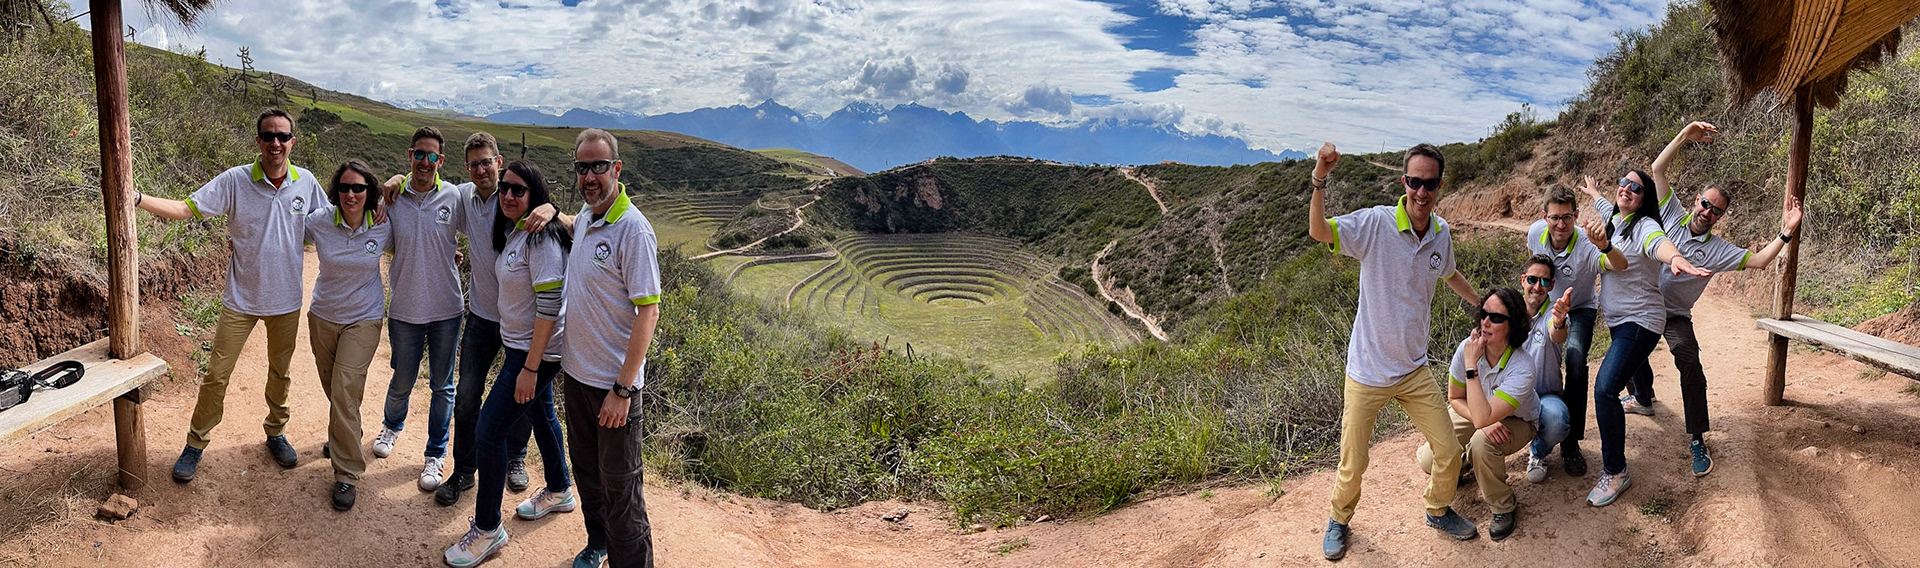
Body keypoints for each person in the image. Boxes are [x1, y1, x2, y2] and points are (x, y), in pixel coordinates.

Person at [1307, 142, 1483, 559]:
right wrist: (1319, 178)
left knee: (1448, 449)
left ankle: (1437, 509)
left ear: (1440, 186)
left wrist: (1480, 304)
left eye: (1431, 184)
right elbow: (1320, 231)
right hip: (1367, 370)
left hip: (1413, 368)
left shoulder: (1440, 233)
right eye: (1415, 182)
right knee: (1354, 461)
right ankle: (1339, 518)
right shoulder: (1375, 224)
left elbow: (1450, 273)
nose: (1422, 192)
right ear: (1404, 182)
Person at [134, 108, 326, 482]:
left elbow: (335, 226)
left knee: (280, 373)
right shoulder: (236, 181)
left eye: (282, 136)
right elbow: (186, 209)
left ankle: (276, 431)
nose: (276, 143)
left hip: (286, 301)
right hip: (240, 301)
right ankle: (195, 442)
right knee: (217, 375)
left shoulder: (306, 183)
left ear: (292, 142)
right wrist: (137, 198)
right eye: (268, 136)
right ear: (258, 141)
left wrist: (389, 218)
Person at [445, 160, 578, 566]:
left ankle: (488, 530)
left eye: (518, 190)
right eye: (505, 188)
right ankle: (559, 488)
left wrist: (531, 367)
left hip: (535, 352)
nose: (507, 195)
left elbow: (550, 305)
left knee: (489, 432)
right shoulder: (515, 231)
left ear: (534, 194)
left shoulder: (542, 238)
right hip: (522, 346)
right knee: (541, 414)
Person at [1628, 178, 1803, 477]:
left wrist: (1786, 232)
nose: (1708, 212)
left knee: (1690, 363)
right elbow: (1658, 168)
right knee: (1628, 349)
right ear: (1697, 200)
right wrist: (1685, 135)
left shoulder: (1718, 250)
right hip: (1643, 306)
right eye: (1706, 204)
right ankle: (1642, 396)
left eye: (1716, 211)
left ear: (1720, 217)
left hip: (1675, 315)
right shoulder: (1670, 215)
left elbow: (1759, 261)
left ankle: (1696, 437)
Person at [1580, 131, 1714, 506]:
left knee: (1605, 389)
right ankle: (1643, 397)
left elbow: (1659, 243)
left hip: (1642, 321)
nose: (1627, 189)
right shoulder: (1616, 217)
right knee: (1630, 367)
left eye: (1636, 188)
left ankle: (1616, 471)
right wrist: (1593, 193)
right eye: (1624, 182)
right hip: (1621, 320)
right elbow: (1607, 206)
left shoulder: (1644, 226)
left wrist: (1675, 259)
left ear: (1645, 200)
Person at [560, 129, 661, 568]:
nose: (589, 176)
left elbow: (649, 312)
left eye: (598, 166)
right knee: (587, 474)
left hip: (613, 390)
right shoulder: (585, 217)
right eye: (582, 167)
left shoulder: (633, 229)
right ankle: (598, 545)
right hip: (577, 377)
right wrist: (550, 210)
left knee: (622, 491)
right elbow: (574, 226)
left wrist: (622, 390)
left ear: (616, 169)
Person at [437, 132, 538, 506]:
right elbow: (429, 188)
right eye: (474, 164)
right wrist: (397, 180)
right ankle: (463, 471)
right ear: (468, 168)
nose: (482, 169)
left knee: (520, 395)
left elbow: (560, 220)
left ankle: (516, 458)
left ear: (499, 160)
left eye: (487, 161)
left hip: (520, 320)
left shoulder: (515, 195)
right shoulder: (463, 196)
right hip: (481, 315)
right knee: (466, 396)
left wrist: (553, 211)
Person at [374, 126, 468, 492]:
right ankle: (392, 426)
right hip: (404, 308)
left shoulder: (454, 197)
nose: (425, 162)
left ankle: (435, 454)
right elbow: (377, 239)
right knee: (401, 379)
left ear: (441, 161)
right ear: (409, 155)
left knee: (443, 386)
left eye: (432, 156)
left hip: (447, 308)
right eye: (419, 155)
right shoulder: (394, 199)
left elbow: (480, 226)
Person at [1415, 287, 1542, 541]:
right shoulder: (1467, 348)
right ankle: (1465, 464)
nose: (1485, 321)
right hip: (1475, 412)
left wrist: (1472, 366)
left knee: (1482, 443)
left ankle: (1502, 505)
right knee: (1430, 459)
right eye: (1484, 314)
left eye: (1496, 317)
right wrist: (1481, 422)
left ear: (1512, 325)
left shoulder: (1522, 366)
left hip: (1517, 420)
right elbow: (1455, 398)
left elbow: (1486, 420)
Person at [302, 160, 392, 511]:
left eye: (358, 188)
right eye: (344, 188)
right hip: (323, 315)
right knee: (335, 388)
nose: (350, 194)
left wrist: (452, 254)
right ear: (334, 192)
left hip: (364, 319)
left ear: (370, 192)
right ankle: (344, 433)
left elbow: (418, 241)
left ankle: (347, 473)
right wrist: (242, 240)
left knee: (343, 387)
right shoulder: (320, 221)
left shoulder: (384, 224)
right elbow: (281, 231)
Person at [1526, 186, 1602, 476]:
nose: (1560, 224)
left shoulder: (1586, 244)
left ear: (1576, 215)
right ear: (1545, 217)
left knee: (1575, 358)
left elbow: (1613, 265)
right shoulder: (1535, 233)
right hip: (1548, 306)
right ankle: (1537, 415)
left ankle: (1571, 441)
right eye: (1554, 217)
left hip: (1580, 306)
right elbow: (1537, 265)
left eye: (1567, 217)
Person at [1518, 255, 1574, 483]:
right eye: (1532, 279)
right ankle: (1476, 456)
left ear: (1551, 285)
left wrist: (1559, 321)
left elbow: (1557, 334)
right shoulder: (1508, 311)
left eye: (1544, 281)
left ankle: (1538, 453)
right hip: (1511, 396)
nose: (1537, 287)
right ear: (1523, 280)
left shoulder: (1555, 311)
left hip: (1545, 396)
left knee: (1558, 421)